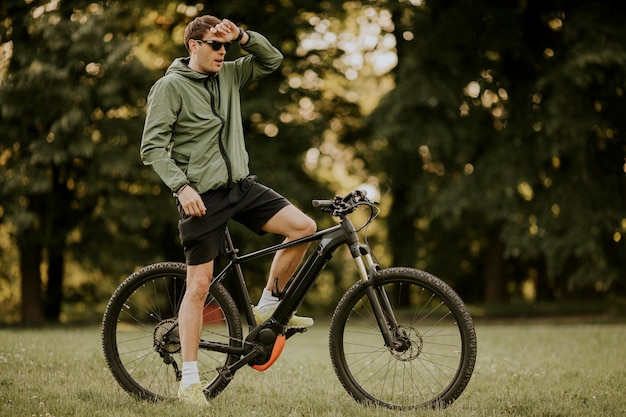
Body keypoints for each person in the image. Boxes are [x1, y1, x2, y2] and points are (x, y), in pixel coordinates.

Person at [140, 15, 317, 406]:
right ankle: (189, 381)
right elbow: (152, 147)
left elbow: (272, 60)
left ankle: (270, 302)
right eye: (215, 45)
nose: (223, 52)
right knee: (199, 286)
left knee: (304, 227)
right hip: (201, 196)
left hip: (241, 186)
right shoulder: (170, 87)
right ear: (193, 45)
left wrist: (244, 36)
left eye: (226, 45)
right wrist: (181, 186)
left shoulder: (231, 75)